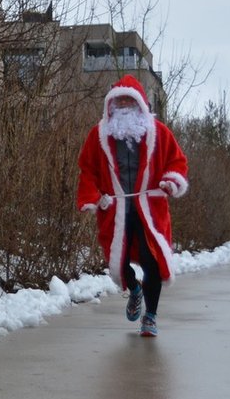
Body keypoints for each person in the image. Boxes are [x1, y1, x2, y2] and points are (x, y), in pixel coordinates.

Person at [76, 74, 190, 337]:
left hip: (150, 209)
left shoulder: (159, 132)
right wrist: (93, 196)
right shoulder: (99, 135)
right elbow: (87, 169)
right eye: (120, 100)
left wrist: (171, 182)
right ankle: (134, 289)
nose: (125, 105)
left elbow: (177, 161)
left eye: (130, 100)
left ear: (141, 104)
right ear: (111, 104)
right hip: (115, 210)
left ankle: (150, 316)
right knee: (118, 263)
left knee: (152, 261)